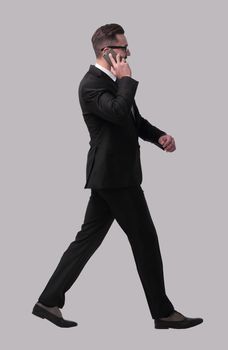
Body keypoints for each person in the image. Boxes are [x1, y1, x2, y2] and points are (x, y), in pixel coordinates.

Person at [32, 23, 203, 329]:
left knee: (87, 240)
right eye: (124, 48)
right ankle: (163, 314)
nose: (128, 53)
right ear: (107, 51)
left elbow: (132, 120)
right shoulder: (91, 84)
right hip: (115, 178)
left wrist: (160, 136)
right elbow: (117, 111)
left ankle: (48, 301)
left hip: (113, 176)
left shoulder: (111, 81)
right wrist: (125, 79)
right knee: (145, 240)